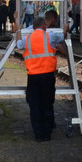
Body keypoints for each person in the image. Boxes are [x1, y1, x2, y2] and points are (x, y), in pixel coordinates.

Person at [18, 10, 65, 142]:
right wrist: (66, 28)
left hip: (33, 77)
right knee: (47, 104)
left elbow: (18, 44)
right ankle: (47, 133)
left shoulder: (27, 38)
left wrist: (17, 31)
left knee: (35, 105)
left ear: (33, 27)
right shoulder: (50, 36)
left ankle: (38, 135)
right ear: (44, 26)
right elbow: (63, 37)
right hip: (48, 76)